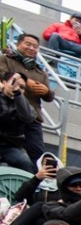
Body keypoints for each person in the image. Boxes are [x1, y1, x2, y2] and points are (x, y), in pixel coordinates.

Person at [0, 33, 53, 164]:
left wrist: (47, 92)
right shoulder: (6, 59)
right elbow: (2, 75)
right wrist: (26, 81)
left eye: (35, 46)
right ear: (18, 45)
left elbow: (50, 97)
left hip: (32, 117)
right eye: (28, 44)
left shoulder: (40, 72)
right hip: (7, 111)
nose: (32, 48)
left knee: (36, 155)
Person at [0, 71, 36, 172]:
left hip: (11, 147)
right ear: (4, 82)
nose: (18, 88)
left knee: (26, 164)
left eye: (22, 87)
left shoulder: (24, 104)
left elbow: (28, 118)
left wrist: (17, 94)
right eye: (14, 83)